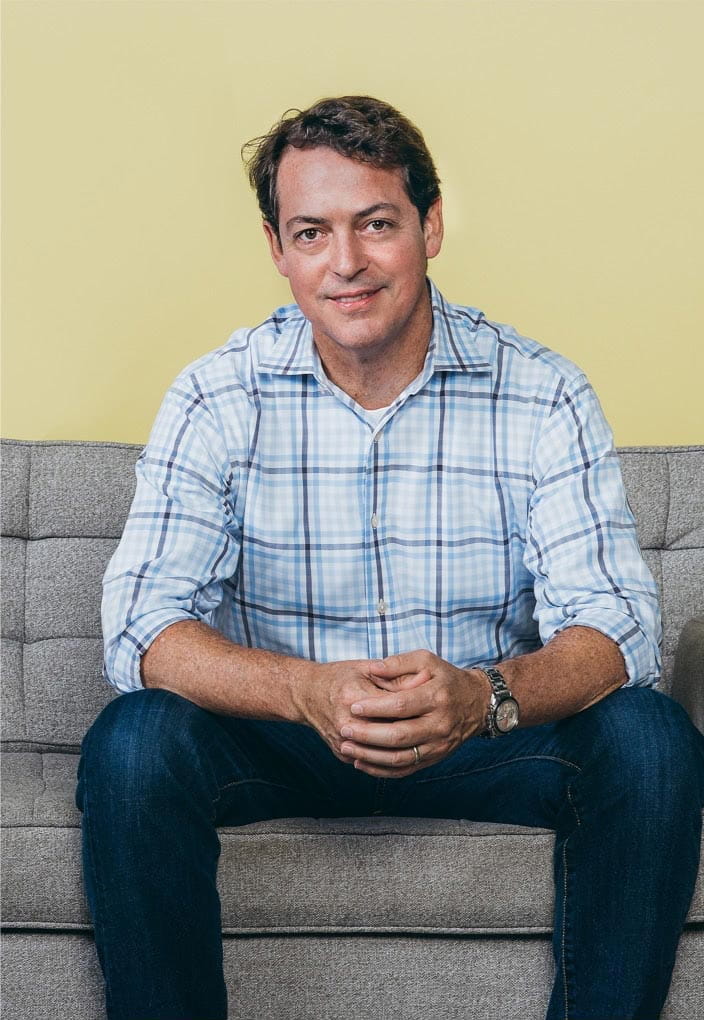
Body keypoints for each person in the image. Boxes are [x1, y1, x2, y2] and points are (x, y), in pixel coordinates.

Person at [77, 96, 704, 1020]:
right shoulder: (217, 395)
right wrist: (305, 691)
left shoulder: (543, 392)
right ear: (276, 247)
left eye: (376, 224)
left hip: (481, 736)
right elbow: (141, 625)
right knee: (133, 743)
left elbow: (619, 628)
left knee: (650, 739)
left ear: (430, 225)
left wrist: (483, 696)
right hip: (286, 737)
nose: (346, 263)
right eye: (311, 232)